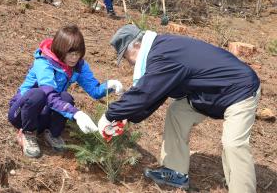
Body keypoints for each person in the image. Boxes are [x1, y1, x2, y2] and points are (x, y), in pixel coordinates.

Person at [98, 24, 260, 192]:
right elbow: (155, 95)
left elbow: (145, 94)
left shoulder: (164, 55)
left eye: (126, 56)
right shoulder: (161, 49)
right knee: (177, 112)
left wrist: (110, 115)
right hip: (208, 91)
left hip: (239, 90)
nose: (129, 62)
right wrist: (127, 116)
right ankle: (175, 171)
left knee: (233, 144)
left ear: (137, 45)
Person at [8, 25, 123, 158]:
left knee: (66, 97)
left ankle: (52, 133)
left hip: (45, 113)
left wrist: (110, 86)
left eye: (77, 53)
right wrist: (77, 114)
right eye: (70, 53)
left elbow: (95, 90)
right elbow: (48, 95)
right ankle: (27, 134)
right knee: (37, 94)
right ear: (60, 50)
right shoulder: (44, 63)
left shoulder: (79, 66)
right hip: (22, 114)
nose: (74, 58)